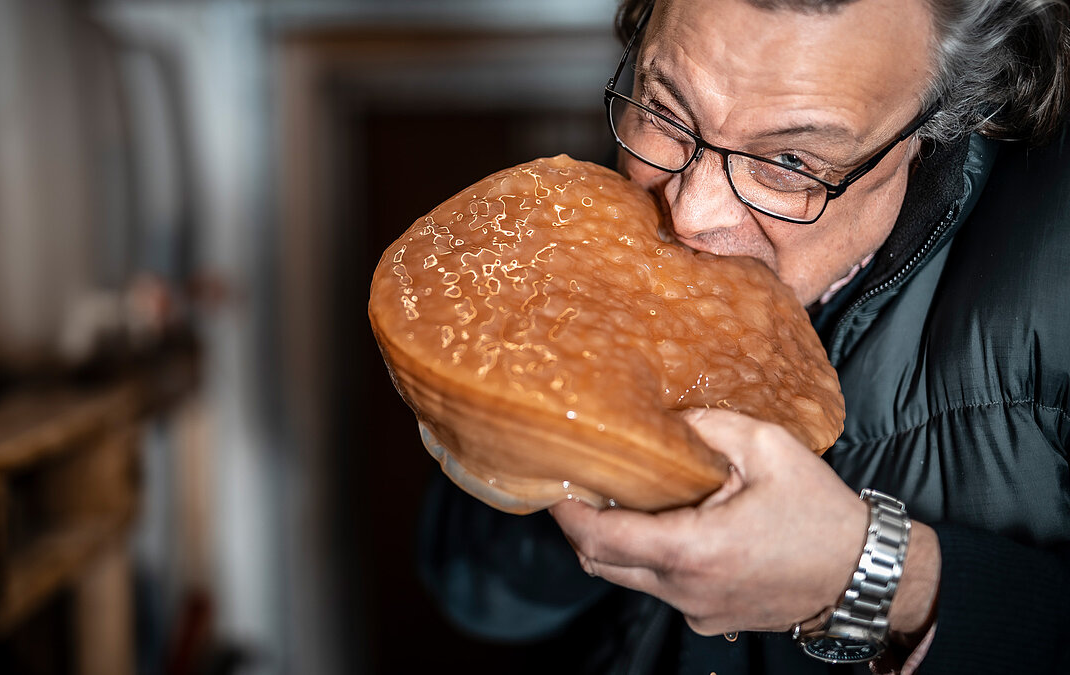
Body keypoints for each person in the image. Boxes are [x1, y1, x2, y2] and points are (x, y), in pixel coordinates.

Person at [418, 0, 1070, 673]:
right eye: (669, 110)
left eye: (789, 159)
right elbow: (476, 591)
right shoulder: (637, 183)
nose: (691, 212)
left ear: (945, 118)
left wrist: (876, 582)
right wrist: (566, 443)